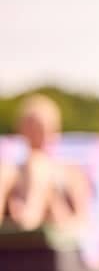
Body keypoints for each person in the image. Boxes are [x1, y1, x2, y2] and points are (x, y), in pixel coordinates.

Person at [0, 94, 90, 231]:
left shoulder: (71, 172)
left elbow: (83, 222)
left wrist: (53, 203)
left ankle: (28, 219)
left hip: (56, 231)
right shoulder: (9, 169)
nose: (35, 134)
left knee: (38, 164)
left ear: (55, 130)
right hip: (16, 232)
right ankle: (27, 220)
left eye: (40, 128)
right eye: (30, 127)